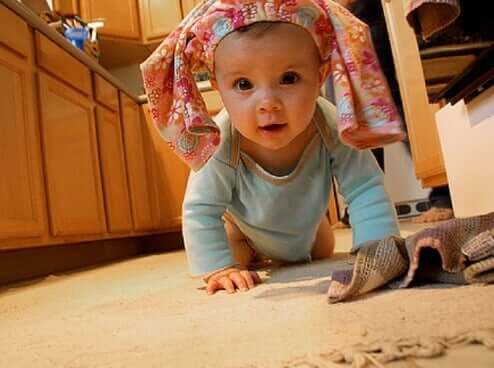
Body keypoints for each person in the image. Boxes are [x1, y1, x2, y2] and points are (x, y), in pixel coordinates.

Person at [140, 0, 406, 295]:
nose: (268, 103)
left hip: (308, 228)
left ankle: (309, 231)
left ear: (320, 76)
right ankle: (247, 251)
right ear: (218, 88)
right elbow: (201, 208)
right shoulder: (220, 140)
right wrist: (219, 267)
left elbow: (365, 186)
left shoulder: (330, 124)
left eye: (289, 79)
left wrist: (376, 244)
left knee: (322, 250)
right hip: (242, 232)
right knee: (234, 256)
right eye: (243, 84)